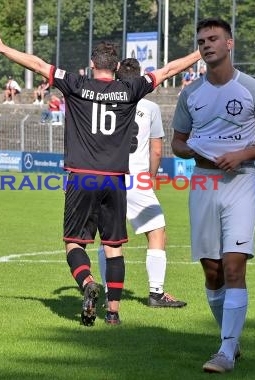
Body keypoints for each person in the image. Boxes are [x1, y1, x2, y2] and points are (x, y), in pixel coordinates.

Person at [0, 31, 200, 326]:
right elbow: (169, 69)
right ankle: (113, 314)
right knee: (114, 247)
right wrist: (201, 53)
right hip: (116, 180)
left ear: (92, 63)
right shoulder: (131, 89)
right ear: (117, 65)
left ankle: (88, 284)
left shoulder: (76, 84)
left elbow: (37, 65)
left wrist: (3, 49)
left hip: (82, 177)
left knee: (74, 245)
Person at [171, 18, 255, 373]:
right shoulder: (190, 93)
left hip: (241, 181)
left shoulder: (253, 89)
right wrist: (192, 151)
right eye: (202, 41)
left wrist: (241, 155)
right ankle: (229, 342)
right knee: (212, 270)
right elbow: (177, 142)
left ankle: (225, 350)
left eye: (214, 39)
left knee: (234, 265)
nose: (207, 45)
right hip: (203, 180)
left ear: (229, 44)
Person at [97, 58, 187, 309]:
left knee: (108, 239)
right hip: (136, 178)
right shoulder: (149, 107)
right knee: (157, 232)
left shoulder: (104, 101)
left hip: (107, 177)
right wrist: (152, 176)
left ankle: (108, 293)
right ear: (139, 79)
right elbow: (156, 150)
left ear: (117, 77)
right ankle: (156, 293)